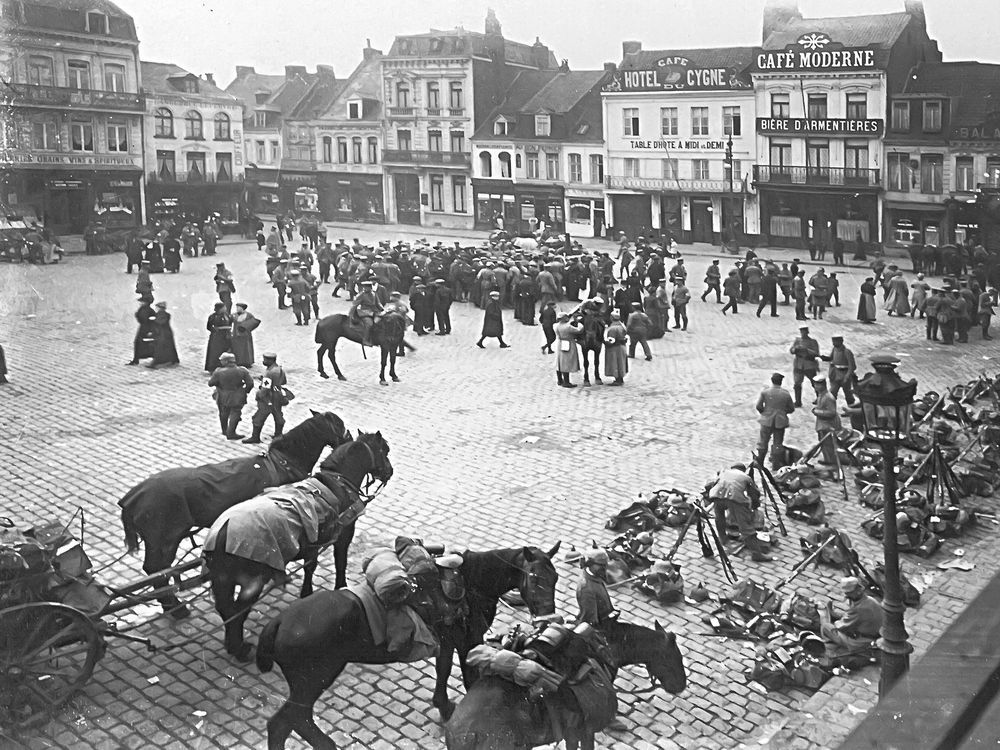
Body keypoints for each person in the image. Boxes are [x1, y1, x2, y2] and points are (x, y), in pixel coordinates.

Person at [708, 464, 771, 562]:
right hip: (734, 498)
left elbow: (711, 484)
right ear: (743, 470)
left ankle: (723, 539)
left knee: (719, 517)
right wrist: (753, 508)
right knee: (745, 526)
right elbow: (754, 495)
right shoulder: (746, 477)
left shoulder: (724, 471)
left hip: (717, 495)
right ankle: (756, 554)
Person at [819, 577, 883, 658]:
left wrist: (835, 622)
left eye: (848, 594)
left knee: (826, 627)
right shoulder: (870, 599)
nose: (846, 595)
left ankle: (828, 642)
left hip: (862, 642)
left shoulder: (860, 608)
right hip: (874, 633)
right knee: (844, 619)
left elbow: (842, 626)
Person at [243, 351, 287, 444]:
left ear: (270, 360)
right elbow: (283, 381)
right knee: (278, 416)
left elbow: (265, 389)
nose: (263, 361)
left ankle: (255, 437)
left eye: (265, 360)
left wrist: (259, 394)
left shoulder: (269, 373)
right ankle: (278, 435)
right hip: (278, 396)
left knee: (258, 417)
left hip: (268, 398)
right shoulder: (279, 369)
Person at [208, 352, 254, 440]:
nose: (221, 362)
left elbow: (211, 383)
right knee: (236, 413)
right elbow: (250, 383)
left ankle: (225, 430)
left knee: (223, 412)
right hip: (238, 395)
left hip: (223, 396)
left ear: (226, 361)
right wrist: (245, 391)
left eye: (222, 360)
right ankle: (231, 432)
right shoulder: (242, 370)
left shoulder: (218, 371)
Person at [755, 373, 795, 467]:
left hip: (766, 421)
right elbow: (791, 408)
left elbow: (758, 406)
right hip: (780, 422)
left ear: (772, 380)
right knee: (778, 443)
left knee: (763, 441)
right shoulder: (785, 394)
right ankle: (775, 464)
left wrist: (765, 413)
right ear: (781, 382)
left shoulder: (765, 392)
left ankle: (760, 462)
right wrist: (783, 412)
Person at [575, 548, 618, 626]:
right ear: (589, 564)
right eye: (601, 565)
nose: (604, 568)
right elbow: (590, 621)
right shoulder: (586, 589)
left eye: (605, 565)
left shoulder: (595, 575)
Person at [812, 377, 841, 465]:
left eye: (818, 385)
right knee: (824, 443)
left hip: (828, 425)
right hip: (822, 424)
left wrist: (817, 412)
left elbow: (832, 412)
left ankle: (832, 463)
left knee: (828, 444)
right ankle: (828, 460)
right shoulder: (821, 394)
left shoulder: (828, 397)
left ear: (823, 385)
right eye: (815, 384)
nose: (815, 387)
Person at [789, 325, 820, 407]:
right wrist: (795, 349)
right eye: (801, 332)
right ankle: (798, 401)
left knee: (815, 383)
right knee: (797, 384)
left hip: (809, 365)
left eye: (804, 332)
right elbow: (791, 350)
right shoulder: (797, 340)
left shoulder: (813, 341)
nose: (803, 333)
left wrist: (807, 350)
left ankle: (820, 398)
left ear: (807, 332)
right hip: (798, 364)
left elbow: (816, 353)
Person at [822, 336, 857, 405]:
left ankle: (851, 410)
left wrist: (847, 376)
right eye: (833, 341)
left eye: (836, 341)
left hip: (844, 374)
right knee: (832, 393)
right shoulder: (834, 349)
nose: (834, 343)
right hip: (835, 375)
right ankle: (831, 409)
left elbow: (852, 366)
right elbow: (831, 358)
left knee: (848, 393)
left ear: (841, 341)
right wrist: (824, 358)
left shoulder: (847, 352)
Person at [554, 313, 583, 387]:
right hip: (569, 342)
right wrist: (580, 324)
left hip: (560, 343)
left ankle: (560, 380)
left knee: (560, 361)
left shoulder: (556, 325)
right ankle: (566, 382)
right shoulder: (568, 327)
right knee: (567, 361)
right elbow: (578, 330)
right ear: (563, 318)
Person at [204, 302, 233, 372]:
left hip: (226, 336)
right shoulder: (212, 316)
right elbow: (209, 327)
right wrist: (215, 330)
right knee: (215, 352)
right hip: (216, 337)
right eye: (224, 307)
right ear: (220, 308)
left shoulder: (227, 315)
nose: (225, 308)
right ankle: (214, 367)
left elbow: (230, 323)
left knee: (226, 350)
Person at [128, 297, 157, 365]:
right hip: (143, 328)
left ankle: (137, 359)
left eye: (141, 302)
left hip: (146, 329)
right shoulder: (144, 309)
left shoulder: (148, 310)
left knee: (142, 343)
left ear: (145, 302)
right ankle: (137, 358)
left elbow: (148, 320)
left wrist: (151, 331)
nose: (140, 303)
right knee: (140, 343)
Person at [149, 301, 179, 368]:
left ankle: (158, 362)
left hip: (163, 334)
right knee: (167, 347)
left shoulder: (162, 314)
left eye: (157, 307)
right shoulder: (163, 314)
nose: (156, 309)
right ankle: (170, 360)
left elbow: (161, 322)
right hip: (165, 333)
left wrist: (154, 320)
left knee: (160, 348)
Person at [231, 302, 259, 368]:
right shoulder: (234, 315)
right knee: (236, 349)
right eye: (237, 307)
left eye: (239, 307)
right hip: (236, 335)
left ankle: (247, 362)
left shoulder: (249, 315)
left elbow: (253, 323)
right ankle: (237, 361)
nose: (237, 309)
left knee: (246, 349)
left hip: (245, 335)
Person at [604, 310, 628, 386]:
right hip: (622, 346)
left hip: (615, 348)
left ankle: (617, 379)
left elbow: (611, 340)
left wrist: (605, 342)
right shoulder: (622, 326)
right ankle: (621, 378)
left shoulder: (612, 328)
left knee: (615, 363)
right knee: (621, 363)